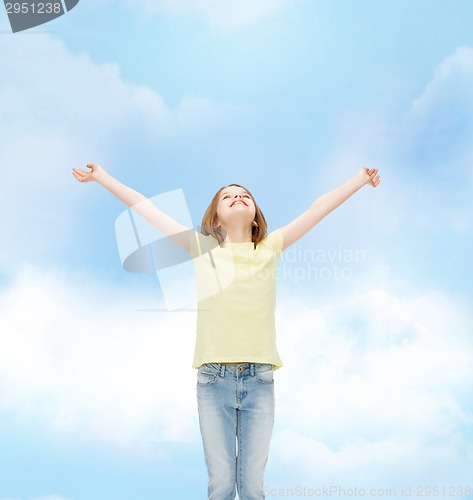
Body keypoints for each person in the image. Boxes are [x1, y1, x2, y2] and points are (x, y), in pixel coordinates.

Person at [72, 164, 380, 499]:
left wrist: (360, 180)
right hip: (213, 380)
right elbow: (147, 209)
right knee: (220, 484)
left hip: (260, 380)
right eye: (228, 196)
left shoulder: (270, 247)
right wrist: (101, 177)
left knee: (251, 486)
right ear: (215, 218)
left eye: (244, 195)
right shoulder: (202, 248)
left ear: (256, 217)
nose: (237, 197)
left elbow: (318, 208)